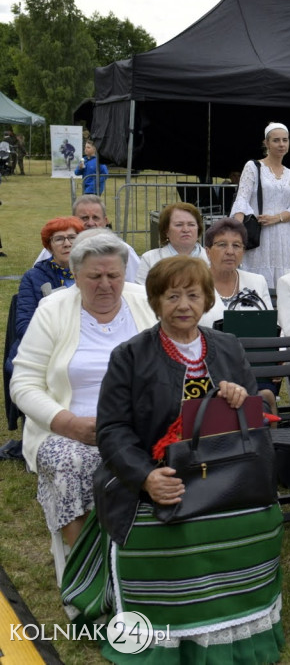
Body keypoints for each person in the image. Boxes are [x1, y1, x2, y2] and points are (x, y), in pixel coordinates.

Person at [65, 255, 285, 661]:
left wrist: (241, 397)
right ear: (155, 301)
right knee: (177, 535)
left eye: (193, 295)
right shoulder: (130, 356)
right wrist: (148, 478)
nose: (183, 304)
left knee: (262, 520)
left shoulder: (227, 346)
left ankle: (241, 632)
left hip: (227, 472)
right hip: (157, 474)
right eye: (172, 296)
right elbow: (112, 431)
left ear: (206, 301)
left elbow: (256, 413)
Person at [10, 231, 156, 554]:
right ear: (75, 275)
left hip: (138, 426)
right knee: (70, 462)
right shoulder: (52, 310)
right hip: (68, 431)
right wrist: (67, 423)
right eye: (94, 276)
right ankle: (86, 568)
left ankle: (150, 554)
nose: (106, 284)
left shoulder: (145, 303)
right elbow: (23, 382)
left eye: (114, 275)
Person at [231, 122, 290, 283]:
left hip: (282, 234)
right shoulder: (253, 166)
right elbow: (242, 199)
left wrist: (276, 218)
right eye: (276, 140)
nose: (281, 144)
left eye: (285, 140)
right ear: (266, 143)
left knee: (283, 280)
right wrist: (236, 230)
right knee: (257, 278)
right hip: (259, 232)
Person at [13, 217, 83, 357]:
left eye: (72, 237)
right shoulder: (33, 277)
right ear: (49, 246)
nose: (67, 244)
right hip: (44, 352)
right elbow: (24, 325)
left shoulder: (92, 274)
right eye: (59, 239)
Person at [35, 195, 142, 283]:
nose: (90, 223)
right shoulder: (56, 248)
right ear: (73, 220)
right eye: (84, 218)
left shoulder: (122, 249)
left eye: (95, 218)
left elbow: (137, 286)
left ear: (105, 221)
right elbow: (35, 277)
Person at [198, 217, 272, 328]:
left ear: (243, 251)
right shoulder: (194, 283)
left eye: (236, 245)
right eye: (222, 245)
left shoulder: (257, 281)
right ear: (208, 252)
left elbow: (271, 326)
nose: (230, 252)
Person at [136, 202, 209, 284]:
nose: (186, 229)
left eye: (191, 224)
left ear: (198, 229)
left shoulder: (212, 259)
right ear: (166, 230)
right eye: (179, 225)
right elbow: (141, 294)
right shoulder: (149, 259)